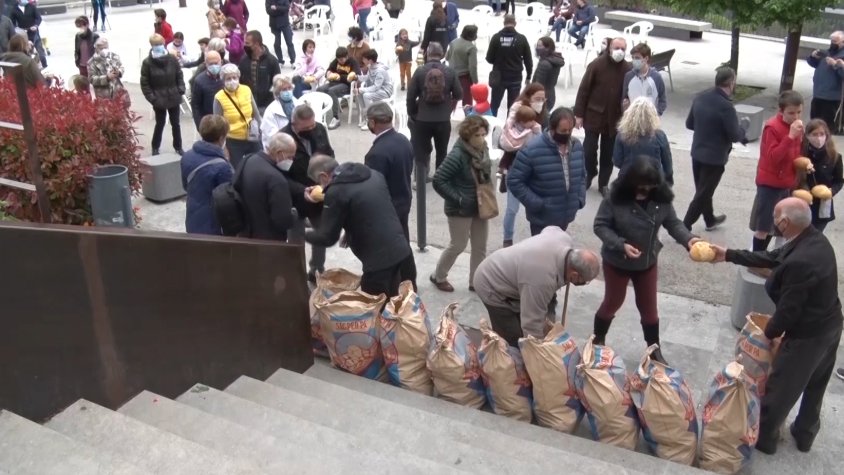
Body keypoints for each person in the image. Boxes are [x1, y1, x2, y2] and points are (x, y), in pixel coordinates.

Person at [709, 197, 843, 456]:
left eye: (774, 216)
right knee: (816, 384)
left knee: (782, 387)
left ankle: (765, 440)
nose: (772, 221)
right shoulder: (814, 239)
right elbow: (773, 257)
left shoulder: (801, 262)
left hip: (809, 335)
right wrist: (729, 255)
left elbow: (787, 312)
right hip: (831, 324)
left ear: (784, 223)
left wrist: (766, 336)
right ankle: (804, 434)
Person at [593, 156, 698, 364]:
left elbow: (673, 223)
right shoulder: (614, 197)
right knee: (613, 301)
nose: (643, 193)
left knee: (649, 309)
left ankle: (654, 350)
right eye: (640, 188)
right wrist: (621, 244)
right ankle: (598, 339)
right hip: (617, 261)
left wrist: (689, 239)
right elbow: (600, 225)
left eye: (648, 189)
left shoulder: (661, 199)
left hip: (646, 261)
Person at [305, 155, 415, 298]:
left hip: (378, 261)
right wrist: (349, 231)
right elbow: (364, 205)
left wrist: (302, 233)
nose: (321, 187)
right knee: (393, 298)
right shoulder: (373, 175)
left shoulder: (336, 192)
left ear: (323, 176)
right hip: (399, 248)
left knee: (373, 304)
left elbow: (328, 237)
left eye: (319, 182)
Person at [473, 227, 600, 346]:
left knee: (533, 320)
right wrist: (538, 350)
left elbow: (551, 228)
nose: (583, 284)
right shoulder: (541, 280)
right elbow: (531, 324)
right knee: (513, 339)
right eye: (584, 281)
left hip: (518, 275)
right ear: (574, 274)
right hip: (490, 284)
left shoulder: (564, 239)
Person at [429, 115, 492, 293]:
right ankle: (438, 276)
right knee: (458, 244)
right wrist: (459, 199)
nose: (481, 138)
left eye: (483, 134)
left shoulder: (483, 150)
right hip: (460, 209)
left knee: (480, 246)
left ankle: (476, 281)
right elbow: (439, 180)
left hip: (480, 205)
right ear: (467, 135)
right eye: (477, 135)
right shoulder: (457, 154)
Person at [682, 67, 749, 231]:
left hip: (697, 153)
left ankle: (710, 219)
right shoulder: (726, 107)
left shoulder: (700, 97)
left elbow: (689, 124)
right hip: (714, 158)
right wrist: (744, 127)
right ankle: (684, 226)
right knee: (703, 193)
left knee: (703, 190)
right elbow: (734, 135)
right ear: (731, 83)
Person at [363, 102, 417, 289]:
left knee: (391, 252)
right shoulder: (403, 140)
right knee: (403, 244)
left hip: (387, 209)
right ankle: (409, 282)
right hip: (403, 202)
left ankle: (397, 286)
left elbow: (373, 188)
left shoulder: (376, 153)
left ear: (372, 122)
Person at [508, 107, 586, 235]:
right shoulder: (532, 150)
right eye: (563, 131)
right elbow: (514, 180)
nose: (567, 134)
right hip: (541, 219)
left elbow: (582, 175)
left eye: (570, 130)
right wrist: (536, 203)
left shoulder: (577, 146)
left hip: (565, 215)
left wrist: (580, 198)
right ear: (552, 128)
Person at [282, 104, 335, 282]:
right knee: (296, 241)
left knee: (321, 236)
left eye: (313, 125)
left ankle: (317, 270)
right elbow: (280, 177)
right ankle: (296, 274)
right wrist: (301, 190)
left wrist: (329, 179)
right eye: (306, 128)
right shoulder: (283, 139)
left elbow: (329, 154)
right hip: (295, 198)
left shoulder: (319, 129)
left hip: (319, 195)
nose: (311, 129)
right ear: (294, 124)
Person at [574, 37, 631, 197]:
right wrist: (578, 114)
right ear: (609, 48)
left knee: (609, 153)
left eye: (622, 48)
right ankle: (589, 173)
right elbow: (583, 90)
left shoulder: (627, 69)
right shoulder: (597, 65)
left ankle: (603, 183)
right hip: (593, 115)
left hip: (615, 119)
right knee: (589, 149)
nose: (619, 51)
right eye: (616, 47)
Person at [750, 90, 805, 254]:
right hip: (770, 184)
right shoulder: (772, 127)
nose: (796, 117)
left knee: (782, 226)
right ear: (781, 111)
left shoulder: (796, 127)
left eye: (799, 112)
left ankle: (775, 258)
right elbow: (773, 157)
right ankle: (756, 258)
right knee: (763, 227)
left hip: (787, 183)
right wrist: (790, 137)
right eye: (791, 113)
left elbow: (795, 155)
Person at [407, 42, 462, 175]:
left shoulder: (420, 71)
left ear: (427, 54)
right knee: (442, 151)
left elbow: (410, 96)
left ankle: (420, 178)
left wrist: (413, 113)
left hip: (423, 118)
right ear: (442, 54)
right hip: (443, 119)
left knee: (421, 152)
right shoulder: (450, 71)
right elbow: (458, 94)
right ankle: (439, 179)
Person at [181, 115, 235, 235]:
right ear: (221, 138)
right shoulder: (223, 167)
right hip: (214, 226)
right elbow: (228, 201)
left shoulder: (187, 156)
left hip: (193, 218)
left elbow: (185, 186)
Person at [239, 132, 297, 241]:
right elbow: (282, 220)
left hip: (245, 233)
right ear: (280, 153)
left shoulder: (248, 160)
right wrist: (293, 215)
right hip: (268, 241)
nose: (291, 161)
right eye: (290, 157)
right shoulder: (277, 180)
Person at [141, 34, 185, 156]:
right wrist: (152, 98)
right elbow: (145, 83)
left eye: (160, 44)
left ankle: (178, 147)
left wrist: (181, 89)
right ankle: (155, 147)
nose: (158, 46)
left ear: (164, 43)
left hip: (173, 95)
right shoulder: (147, 62)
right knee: (160, 124)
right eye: (155, 44)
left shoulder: (172, 59)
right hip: (158, 98)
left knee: (176, 123)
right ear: (151, 45)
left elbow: (179, 74)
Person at [613, 97, 673, 185]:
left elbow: (617, 161)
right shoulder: (660, 136)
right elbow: (667, 162)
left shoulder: (622, 134)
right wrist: (668, 180)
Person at [796, 119, 843, 232]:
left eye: (821, 134)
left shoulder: (834, 157)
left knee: (815, 236)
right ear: (807, 136)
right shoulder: (801, 155)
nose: (818, 138)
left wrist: (831, 192)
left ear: (827, 135)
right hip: (803, 202)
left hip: (823, 204)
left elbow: (839, 181)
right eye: (814, 134)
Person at [213, 63, 262, 168]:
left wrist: (261, 132)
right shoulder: (219, 97)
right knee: (237, 169)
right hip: (233, 140)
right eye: (228, 78)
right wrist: (223, 147)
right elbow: (218, 125)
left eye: (234, 77)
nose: (232, 81)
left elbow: (256, 114)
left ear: (238, 77)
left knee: (258, 165)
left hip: (252, 136)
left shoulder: (246, 90)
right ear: (223, 80)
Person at [486, 15, 532, 117]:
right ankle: (509, 126)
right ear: (515, 23)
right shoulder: (522, 39)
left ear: (504, 23)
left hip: (498, 77)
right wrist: (529, 76)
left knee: (494, 105)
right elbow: (528, 60)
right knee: (512, 107)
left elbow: (489, 58)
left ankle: (492, 124)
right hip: (515, 77)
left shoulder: (496, 38)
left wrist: (498, 61)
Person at [807, 31, 844, 132]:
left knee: (827, 126)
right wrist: (813, 57)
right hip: (817, 94)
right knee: (814, 123)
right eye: (831, 41)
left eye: (835, 41)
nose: (832, 43)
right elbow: (813, 64)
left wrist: (835, 65)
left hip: (832, 98)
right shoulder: (826, 53)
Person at [239, 30, 280, 113]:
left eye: (247, 43)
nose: (245, 45)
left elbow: (277, 82)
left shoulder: (271, 61)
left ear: (256, 44)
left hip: (265, 105)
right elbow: (240, 80)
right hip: (247, 104)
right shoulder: (243, 60)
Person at [320, 46, 360, 130]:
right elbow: (329, 70)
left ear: (346, 56)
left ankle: (336, 118)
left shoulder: (352, 62)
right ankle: (321, 114)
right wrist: (329, 73)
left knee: (331, 91)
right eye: (338, 59)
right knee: (320, 89)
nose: (340, 61)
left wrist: (340, 77)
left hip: (347, 85)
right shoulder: (336, 61)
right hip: (334, 82)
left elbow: (356, 76)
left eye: (342, 59)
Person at [623, 43, 667, 116]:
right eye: (633, 58)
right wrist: (625, 107)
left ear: (646, 58)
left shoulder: (656, 77)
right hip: (632, 118)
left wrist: (656, 114)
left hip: (651, 119)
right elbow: (624, 98)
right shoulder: (629, 76)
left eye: (637, 58)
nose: (634, 60)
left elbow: (662, 100)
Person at [355, 49, 393, 130]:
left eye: (364, 59)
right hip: (378, 89)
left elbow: (376, 87)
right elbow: (367, 78)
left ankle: (371, 120)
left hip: (385, 91)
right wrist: (357, 77)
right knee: (359, 93)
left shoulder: (380, 70)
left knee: (366, 95)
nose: (363, 60)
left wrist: (362, 89)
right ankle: (365, 118)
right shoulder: (371, 67)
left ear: (370, 60)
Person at [445, 25, 478, 109]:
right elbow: (473, 66)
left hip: (451, 74)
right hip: (464, 77)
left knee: (453, 99)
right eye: (475, 33)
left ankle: (446, 113)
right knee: (467, 100)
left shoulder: (453, 42)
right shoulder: (471, 47)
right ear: (471, 35)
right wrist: (475, 81)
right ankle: (468, 115)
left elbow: (447, 57)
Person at [191, 51, 225, 129]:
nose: (214, 66)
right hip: (208, 123)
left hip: (225, 120)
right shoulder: (199, 81)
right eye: (211, 64)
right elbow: (195, 105)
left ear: (221, 62)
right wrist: (199, 125)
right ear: (206, 64)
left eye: (216, 63)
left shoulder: (226, 77)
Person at [261, 75, 295, 149]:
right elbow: (272, 136)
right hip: (279, 148)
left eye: (289, 88)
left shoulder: (299, 103)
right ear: (278, 92)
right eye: (284, 89)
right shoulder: (271, 110)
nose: (288, 91)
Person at [9, 0, 46, 68]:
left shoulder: (31, 7)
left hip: (34, 32)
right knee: (26, 52)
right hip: (23, 34)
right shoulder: (14, 9)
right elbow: (12, 22)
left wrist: (35, 26)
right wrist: (17, 29)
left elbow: (38, 18)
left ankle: (45, 66)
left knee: (40, 51)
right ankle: (30, 67)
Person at [88, 37, 126, 103]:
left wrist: (119, 72)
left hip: (117, 92)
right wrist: (107, 78)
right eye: (101, 48)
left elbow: (121, 67)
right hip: (102, 95)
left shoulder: (114, 56)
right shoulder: (92, 62)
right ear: (96, 49)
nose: (104, 50)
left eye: (105, 48)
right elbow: (92, 79)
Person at [532, 36, 564, 111]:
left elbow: (538, 85)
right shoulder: (554, 59)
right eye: (537, 45)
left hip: (541, 98)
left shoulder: (544, 64)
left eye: (540, 46)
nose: (537, 48)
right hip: (550, 95)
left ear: (547, 48)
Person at [267, 0, 295, 67]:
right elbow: (268, 10)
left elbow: (287, 8)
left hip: (285, 23)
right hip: (274, 24)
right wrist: (281, 11)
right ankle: (280, 60)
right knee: (277, 44)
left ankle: (293, 61)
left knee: (289, 42)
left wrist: (276, 8)